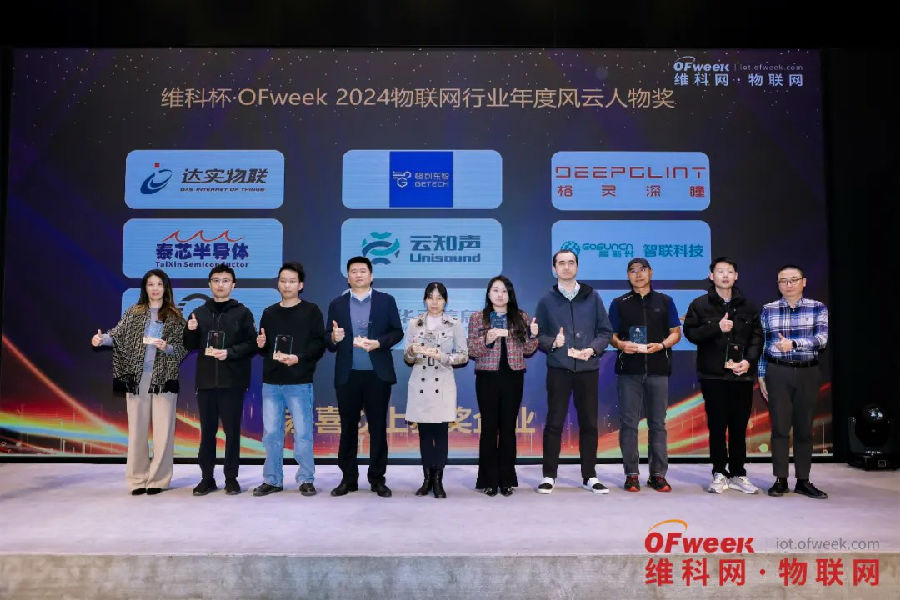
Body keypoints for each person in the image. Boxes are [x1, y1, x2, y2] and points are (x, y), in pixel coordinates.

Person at [91, 269, 187, 495]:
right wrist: (101, 339)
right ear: (145, 288)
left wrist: (167, 347)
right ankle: (137, 479)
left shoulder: (175, 316)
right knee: (137, 431)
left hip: (164, 379)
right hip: (137, 379)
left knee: (164, 433)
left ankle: (159, 480)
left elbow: (183, 348)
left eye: (159, 284)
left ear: (166, 288)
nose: (155, 288)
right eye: (151, 284)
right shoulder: (134, 312)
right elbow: (116, 336)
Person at [535, 249, 613, 494]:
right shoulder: (546, 300)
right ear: (554, 268)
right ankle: (549, 476)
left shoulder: (593, 297)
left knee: (589, 424)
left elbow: (605, 331)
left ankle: (590, 476)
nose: (566, 267)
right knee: (554, 423)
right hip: (559, 369)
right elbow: (538, 336)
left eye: (571, 263)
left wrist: (593, 349)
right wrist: (552, 343)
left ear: (577, 267)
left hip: (587, 369)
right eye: (561, 263)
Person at [325, 256, 403, 498]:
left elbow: (397, 331)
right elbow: (328, 337)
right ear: (348, 277)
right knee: (348, 428)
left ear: (371, 276)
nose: (358, 275)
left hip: (377, 375)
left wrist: (379, 343)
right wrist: (334, 338)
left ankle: (377, 479)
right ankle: (348, 479)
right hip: (348, 375)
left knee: (378, 428)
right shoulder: (337, 304)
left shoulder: (386, 301)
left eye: (362, 271)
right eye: (353, 271)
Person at [683, 257, 763, 494]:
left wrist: (748, 362)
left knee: (739, 427)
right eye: (720, 271)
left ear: (736, 276)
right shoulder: (699, 305)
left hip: (742, 376)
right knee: (717, 427)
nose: (725, 275)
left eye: (730, 271)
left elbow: (757, 338)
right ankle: (719, 472)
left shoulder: (749, 306)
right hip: (713, 376)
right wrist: (716, 327)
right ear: (711, 276)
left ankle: (738, 473)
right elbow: (691, 333)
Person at [251, 262, 326, 497]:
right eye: (283, 281)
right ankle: (272, 479)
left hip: (299, 381)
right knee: (271, 434)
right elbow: (265, 349)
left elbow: (319, 344)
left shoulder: (311, 311)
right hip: (272, 382)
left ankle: (306, 478)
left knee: (302, 433)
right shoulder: (269, 313)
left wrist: (298, 358)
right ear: (278, 284)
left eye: (292, 281)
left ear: (300, 285)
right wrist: (260, 344)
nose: (287, 285)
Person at [183, 264, 257, 496]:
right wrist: (190, 330)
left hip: (232, 382)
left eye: (225, 280)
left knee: (232, 433)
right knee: (207, 432)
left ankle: (231, 478)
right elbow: (189, 345)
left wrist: (230, 353)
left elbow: (252, 344)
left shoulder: (243, 313)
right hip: (206, 382)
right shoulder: (199, 312)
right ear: (209, 284)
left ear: (233, 285)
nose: (220, 284)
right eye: (216, 280)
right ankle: (207, 478)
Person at [609, 258, 682, 493]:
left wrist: (662, 345)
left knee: (658, 424)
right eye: (632, 271)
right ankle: (631, 474)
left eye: (642, 270)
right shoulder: (619, 303)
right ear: (627, 276)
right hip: (629, 371)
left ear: (650, 272)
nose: (638, 274)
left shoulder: (665, 301)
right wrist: (622, 345)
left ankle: (658, 475)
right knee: (629, 423)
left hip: (658, 369)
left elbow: (676, 333)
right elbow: (611, 335)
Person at [758, 265, 829, 499]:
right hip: (777, 372)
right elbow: (763, 345)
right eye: (783, 281)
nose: (788, 285)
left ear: (803, 282)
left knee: (804, 428)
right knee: (779, 427)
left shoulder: (817, 307)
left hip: (808, 371)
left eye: (793, 280)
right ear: (778, 284)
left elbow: (822, 339)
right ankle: (780, 479)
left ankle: (803, 480)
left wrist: (794, 344)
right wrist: (761, 375)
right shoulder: (768, 310)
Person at [467, 275, 539, 497]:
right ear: (488, 294)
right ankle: (488, 479)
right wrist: (487, 340)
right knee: (489, 429)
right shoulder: (478, 318)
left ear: (510, 295)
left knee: (508, 429)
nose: (500, 295)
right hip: (487, 377)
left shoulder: (521, 317)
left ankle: (507, 479)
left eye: (504, 291)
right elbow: (472, 350)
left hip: (513, 377)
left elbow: (529, 349)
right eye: (495, 290)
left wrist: (533, 335)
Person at [404, 282, 468, 498]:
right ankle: (427, 479)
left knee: (441, 434)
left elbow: (463, 356)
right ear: (424, 300)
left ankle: (438, 480)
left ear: (445, 301)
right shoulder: (414, 323)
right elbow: (407, 358)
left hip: (443, 384)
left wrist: (443, 357)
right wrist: (413, 351)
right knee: (424, 434)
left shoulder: (454, 324)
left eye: (439, 298)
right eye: (430, 297)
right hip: (420, 384)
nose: (434, 302)